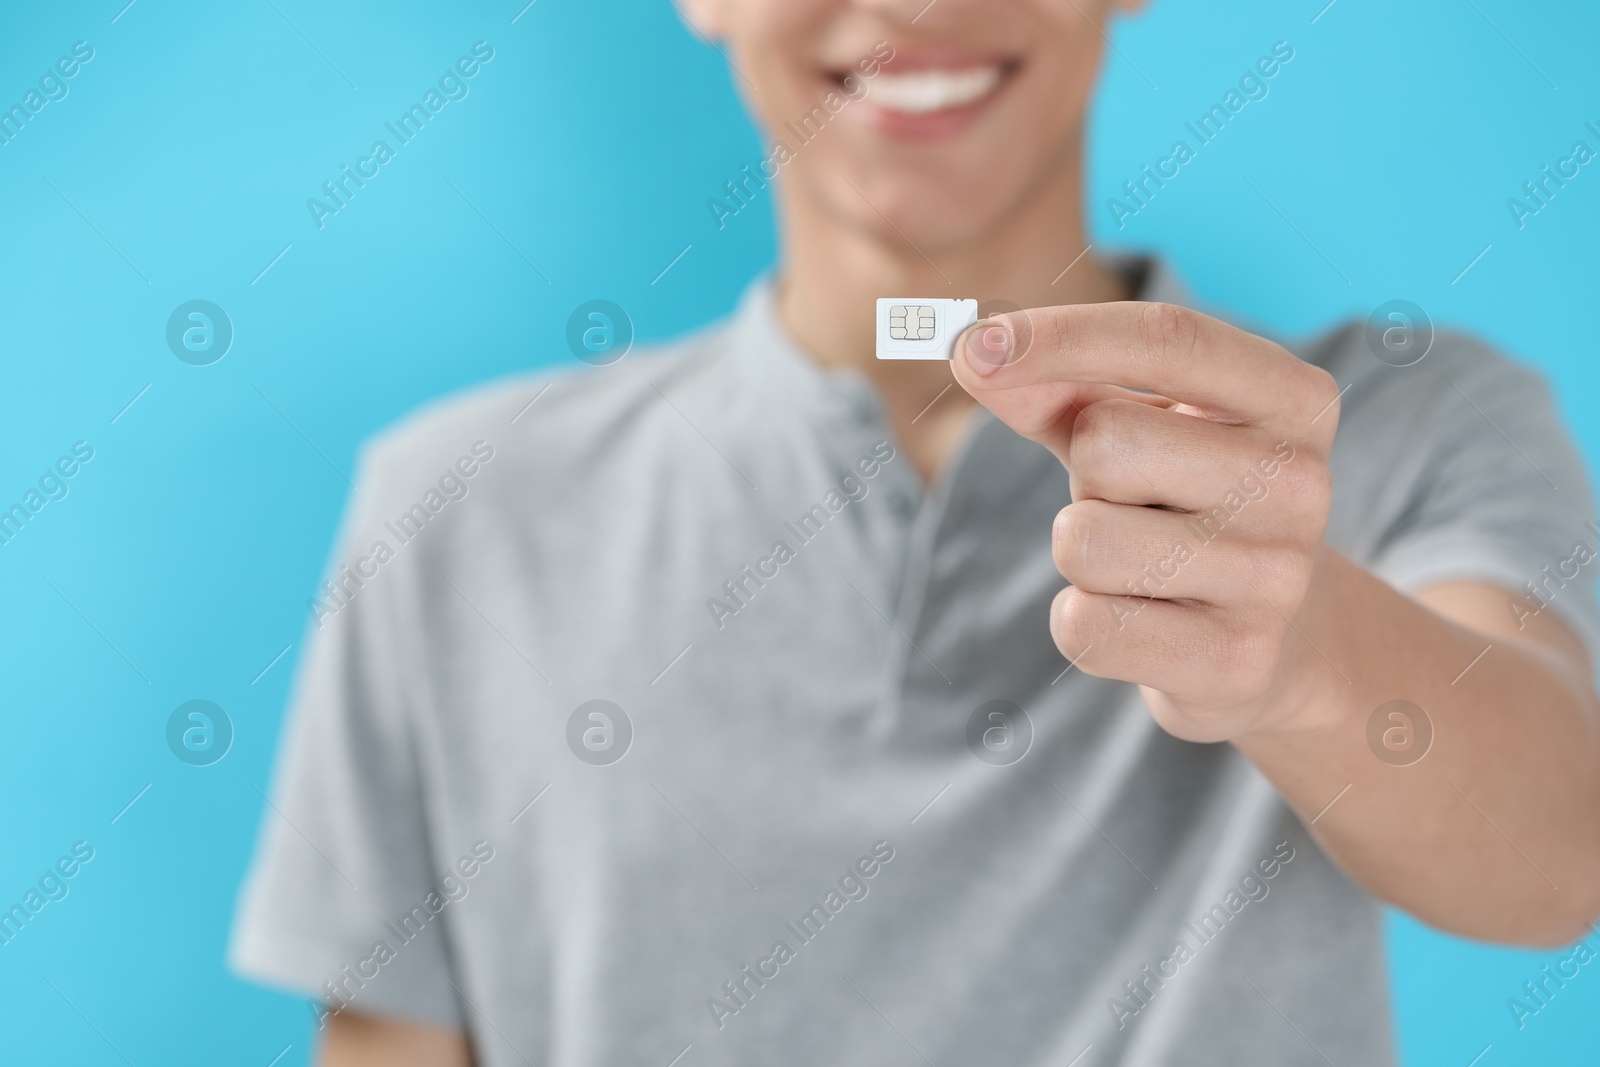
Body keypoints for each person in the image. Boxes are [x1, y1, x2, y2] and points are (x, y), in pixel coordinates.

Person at [231, 0, 1600, 1063]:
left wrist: (1302, 650)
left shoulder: (1408, 421)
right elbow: (389, 1041)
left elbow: (1562, 852)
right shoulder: (449, 509)